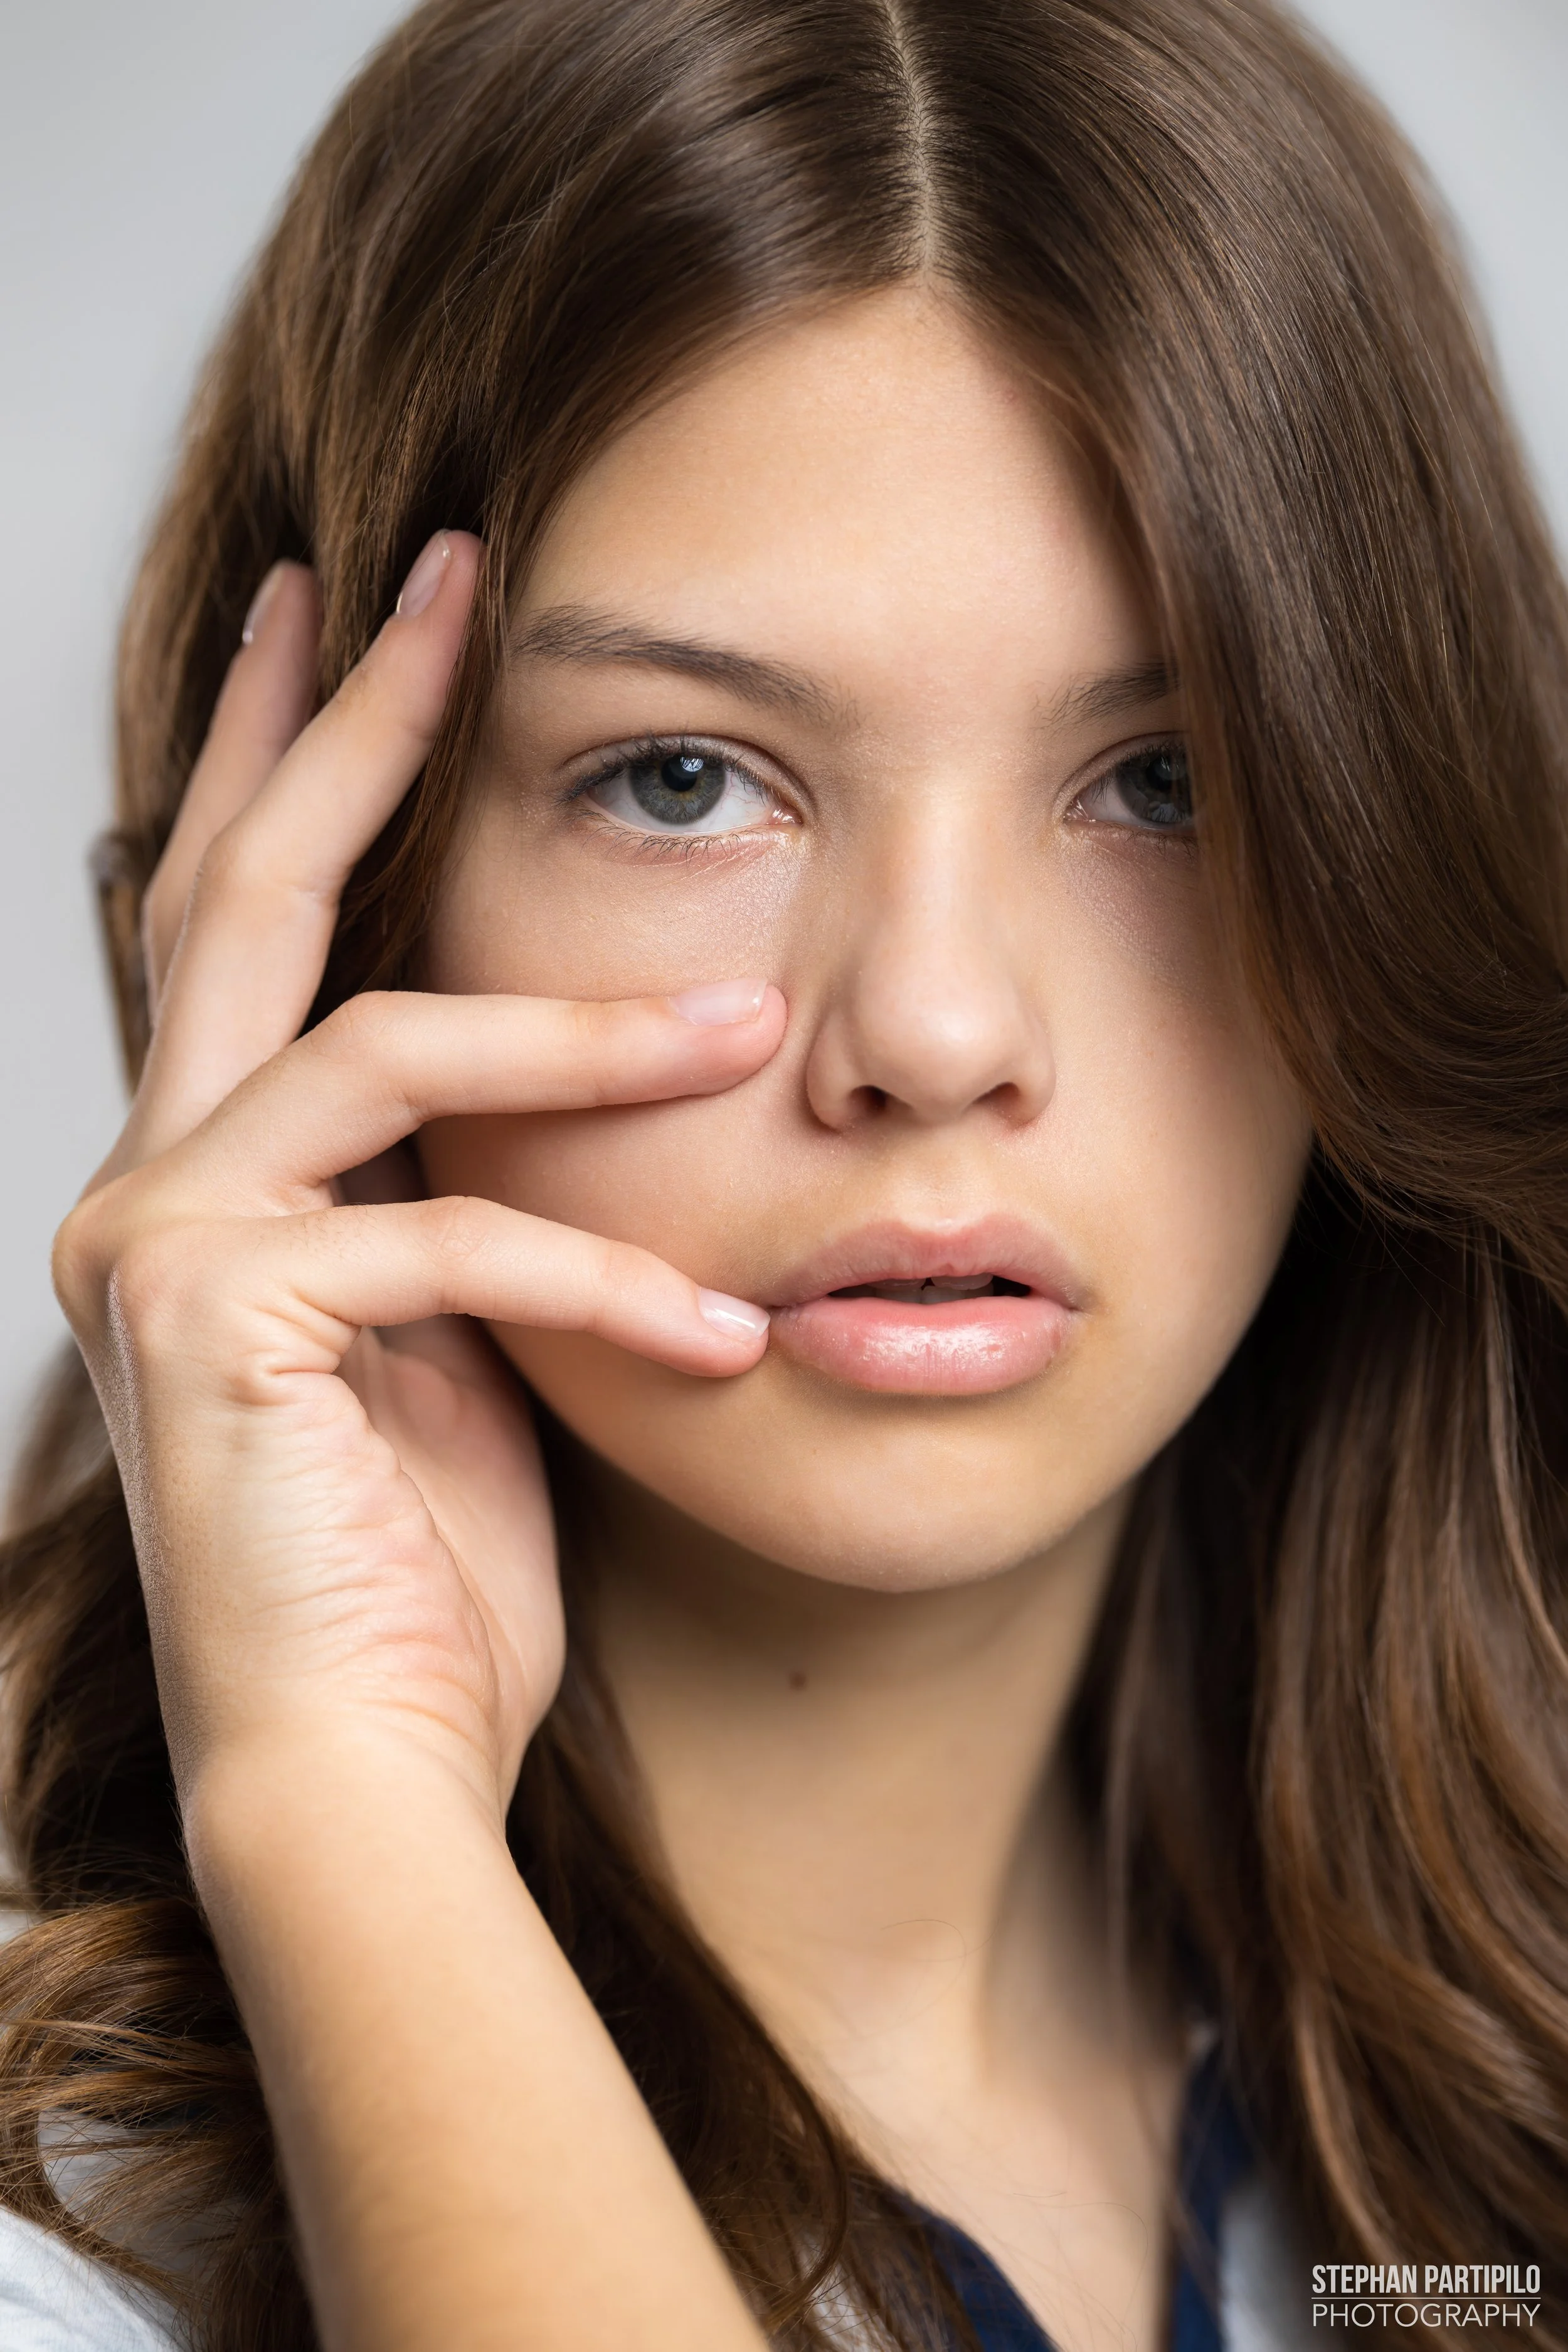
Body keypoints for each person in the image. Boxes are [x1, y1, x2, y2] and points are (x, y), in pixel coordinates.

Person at [3, 0, 1566, 2346]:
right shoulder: (62, 2263)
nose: (931, 1031)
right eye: (680, 780)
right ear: (324, 902)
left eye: (1164, 781)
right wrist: (341, 1803)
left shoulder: (1485, 2113)